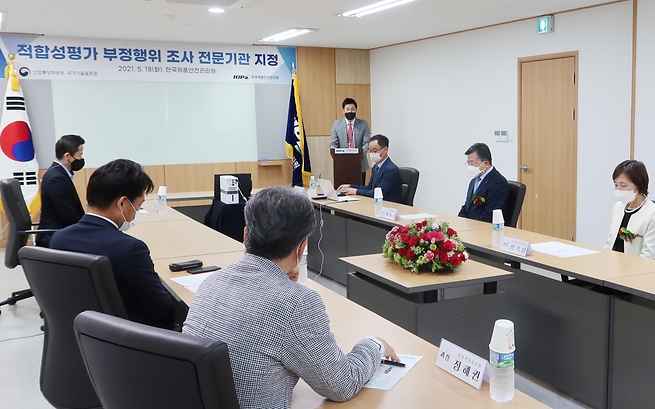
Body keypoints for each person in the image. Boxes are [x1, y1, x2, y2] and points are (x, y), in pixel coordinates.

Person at [183, 186, 399, 407]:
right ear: (302, 247)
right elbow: (341, 385)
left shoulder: (211, 282)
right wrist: (374, 345)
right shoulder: (297, 303)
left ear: (246, 236)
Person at [50, 159, 186, 330]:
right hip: (128, 341)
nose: (136, 212)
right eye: (138, 205)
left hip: (77, 334)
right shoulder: (129, 249)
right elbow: (163, 311)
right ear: (122, 203)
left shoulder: (58, 238)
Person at [603, 160, 655, 259]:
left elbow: (647, 256)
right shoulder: (618, 207)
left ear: (638, 186)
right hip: (611, 265)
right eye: (616, 185)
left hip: (634, 269)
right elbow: (609, 243)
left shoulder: (653, 213)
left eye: (623, 185)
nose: (618, 189)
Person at [37, 134, 86, 247]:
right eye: (80, 154)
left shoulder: (57, 173)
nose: (81, 158)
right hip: (55, 237)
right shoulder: (56, 178)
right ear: (68, 156)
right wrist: (88, 229)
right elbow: (68, 215)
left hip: (60, 233)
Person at [338, 134, 402, 203]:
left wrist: (356, 191)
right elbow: (370, 188)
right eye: (370, 151)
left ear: (385, 149)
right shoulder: (376, 167)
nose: (372, 154)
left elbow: (378, 193)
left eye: (375, 151)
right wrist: (351, 186)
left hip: (389, 206)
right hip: (377, 203)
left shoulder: (391, 169)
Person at [458, 143, 508, 223]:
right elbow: (467, 206)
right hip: (470, 226)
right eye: (468, 163)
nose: (470, 167)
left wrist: (470, 225)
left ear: (486, 164)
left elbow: (490, 214)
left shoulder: (498, 182)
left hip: (483, 228)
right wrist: (460, 220)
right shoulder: (474, 181)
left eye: (472, 163)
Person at [330, 98, 372, 183]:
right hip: (342, 164)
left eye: (352, 109)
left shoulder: (363, 124)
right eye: (347, 109)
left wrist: (357, 156)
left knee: (359, 191)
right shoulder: (336, 124)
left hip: (360, 164)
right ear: (343, 111)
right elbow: (333, 143)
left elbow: (367, 142)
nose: (350, 111)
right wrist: (334, 152)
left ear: (356, 110)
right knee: (342, 191)